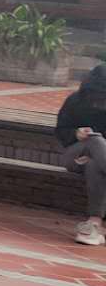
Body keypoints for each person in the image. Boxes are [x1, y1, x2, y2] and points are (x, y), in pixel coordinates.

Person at [57, 63, 106, 246]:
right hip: (75, 156)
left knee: (94, 165)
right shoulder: (75, 102)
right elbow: (60, 131)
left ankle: (94, 224)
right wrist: (76, 134)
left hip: (96, 162)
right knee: (96, 140)